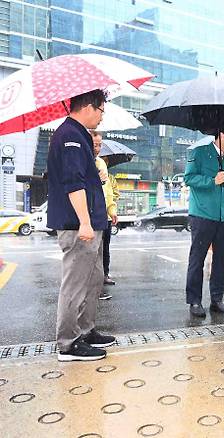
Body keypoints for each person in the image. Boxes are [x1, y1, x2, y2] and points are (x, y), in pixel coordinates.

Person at [46, 89, 115, 362]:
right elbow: (73, 182)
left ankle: (86, 331)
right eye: (101, 110)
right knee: (75, 283)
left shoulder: (79, 135)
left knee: (93, 279)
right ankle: (68, 342)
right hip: (78, 225)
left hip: (90, 223)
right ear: (88, 106)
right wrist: (85, 222)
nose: (101, 116)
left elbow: (81, 178)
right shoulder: (70, 136)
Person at [184, 123, 224, 317]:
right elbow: (189, 178)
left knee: (220, 261)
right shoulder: (199, 153)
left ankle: (217, 299)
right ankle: (194, 301)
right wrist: (212, 181)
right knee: (197, 258)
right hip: (202, 215)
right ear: (222, 135)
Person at [91, 130, 119, 297]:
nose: (98, 148)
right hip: (92, 215)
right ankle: (93, 287)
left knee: (103, 249)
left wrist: (112, 210)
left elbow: (107, 191)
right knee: (92, 253)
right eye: (95, 144)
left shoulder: (101, 162)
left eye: (100, 144)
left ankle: (103, 277)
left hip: (105, 216)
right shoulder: (84, 161)